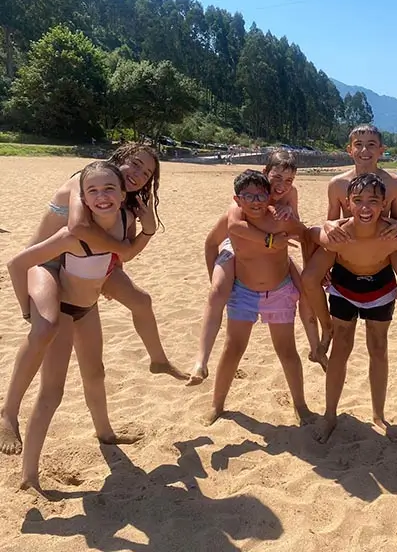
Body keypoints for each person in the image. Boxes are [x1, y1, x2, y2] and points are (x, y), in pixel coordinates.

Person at [0, 143, 187, 457]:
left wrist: (127, 252)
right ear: (120, 159)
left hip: (85, 265)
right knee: (43, 332)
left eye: (147, 173)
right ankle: (7, 413)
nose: (139, 175)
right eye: (136, 164)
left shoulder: (120, 202)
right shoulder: (86, 180)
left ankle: (157, 361)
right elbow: (77, 228)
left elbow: (117, 244)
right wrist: (25, 309)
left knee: (141, 301)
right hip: (48, 263)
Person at [7, 161, 149, 492]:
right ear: (82, 198)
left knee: (95, 373)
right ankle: (29, 474)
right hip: (63, 310)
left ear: (124, 193)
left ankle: (105, 432)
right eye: (93, 191)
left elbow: (123, 256)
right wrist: (28, 311)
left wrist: (149, 226)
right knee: (52, 392)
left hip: (87, 307)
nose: (102, 197)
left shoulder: (121, 222)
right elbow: (18, 262)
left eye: (110, 189)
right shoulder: (72, 234)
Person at [188, 150, 323, 386]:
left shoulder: (291, 194)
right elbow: (234, 227)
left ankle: (316, 348)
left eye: (289, 180)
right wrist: (270, 240)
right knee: (218, 290)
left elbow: (296, 229)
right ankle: (201, 360)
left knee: (306, 289)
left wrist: (289, 213)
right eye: (277, 178)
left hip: (274, 252)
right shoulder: (249, 195)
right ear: (265, 173)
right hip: (239, 245)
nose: (282, 186)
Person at [306, 173, 397, 443]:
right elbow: (310, 272)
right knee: (341, 349)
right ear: (347, 204)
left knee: (378, 347)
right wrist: (324, 322)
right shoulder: (339, 233)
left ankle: (379, 414)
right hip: (344, 288)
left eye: (373, 201)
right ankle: (330, 415)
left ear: (384, 204)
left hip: (380, 289)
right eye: (358, 201)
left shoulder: (389, 234)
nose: (365, 207)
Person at [302, 124, 397, 376]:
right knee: (309, 278)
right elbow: (331, 222)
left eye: (371, 144)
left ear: (381, 150)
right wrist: (327, 227)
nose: (364, 150)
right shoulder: (337, 184)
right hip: (345, 242)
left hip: (383, 243)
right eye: (358, 144)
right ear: (349, 150)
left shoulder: (395, 183)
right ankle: (327, 329)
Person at [206, 170, 314, 426]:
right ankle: (217, 404)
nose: (255, 201)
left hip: (279, 292)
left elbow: (307, 236)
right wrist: (214, 275)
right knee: (233, 348)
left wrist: (313, 267)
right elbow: (211, 243)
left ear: (269, 196)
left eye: (261, 195)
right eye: (248, 196)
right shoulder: (233, 219)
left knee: (287, 350)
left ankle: (301, 406)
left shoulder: (279, 218)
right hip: (243, 292)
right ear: (237, 199)